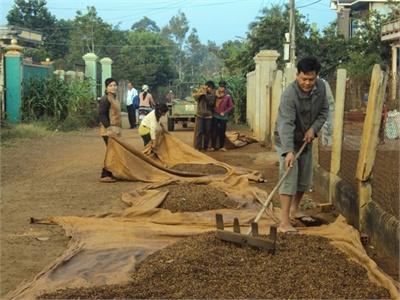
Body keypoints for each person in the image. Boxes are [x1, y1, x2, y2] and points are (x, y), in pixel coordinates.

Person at [274, 56, 328, 233]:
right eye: (303, 79)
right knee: (290, 174)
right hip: (286, 138)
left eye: (311, 79)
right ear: (297, 75)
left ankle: (294, 209)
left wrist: (313, 129)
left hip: (306, 137)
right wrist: (288, 151)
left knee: (304, 176)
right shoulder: (289, 95)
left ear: (316, 77)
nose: (307, 83)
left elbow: (324, 111)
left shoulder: (321, 88)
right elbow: (286, 124)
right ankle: (284, 222)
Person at [98, 78, 122, 183]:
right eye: (111, 85)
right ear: (106, 87)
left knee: (113, 151)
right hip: (108, 130)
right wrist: (109, 128)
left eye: (115, 85)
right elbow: (102, 114)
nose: (113, 87)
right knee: (111, 151)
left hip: (115, 129)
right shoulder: (105, 99)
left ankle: (109, 172)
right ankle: (105, 174)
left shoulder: (114, 98)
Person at [211, 80, 234, 151]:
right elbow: (211, 104)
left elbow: (231, 106)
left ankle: (221, 146)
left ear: (225, 88)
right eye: (220, 87)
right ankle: (213, 146)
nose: (221, 88)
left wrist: (224, 112)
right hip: (215, 115)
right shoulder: (215, 95)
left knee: (222, 131)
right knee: (214, 131)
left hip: (223, 117)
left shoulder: (227, 96)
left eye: (223, 87)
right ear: (218, 87)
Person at [193, 80, 216, 151]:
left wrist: (205, 94)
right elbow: (195, 98)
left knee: (207, 132)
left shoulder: (212, 95)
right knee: (199, 132)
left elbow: (211, 103)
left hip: (208, 116)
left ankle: (206, 147)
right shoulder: (200, 93)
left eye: (210, 88)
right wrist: (200, 93)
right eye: (208, 87)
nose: (209, 89)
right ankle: (198, 147)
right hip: (200, 115)